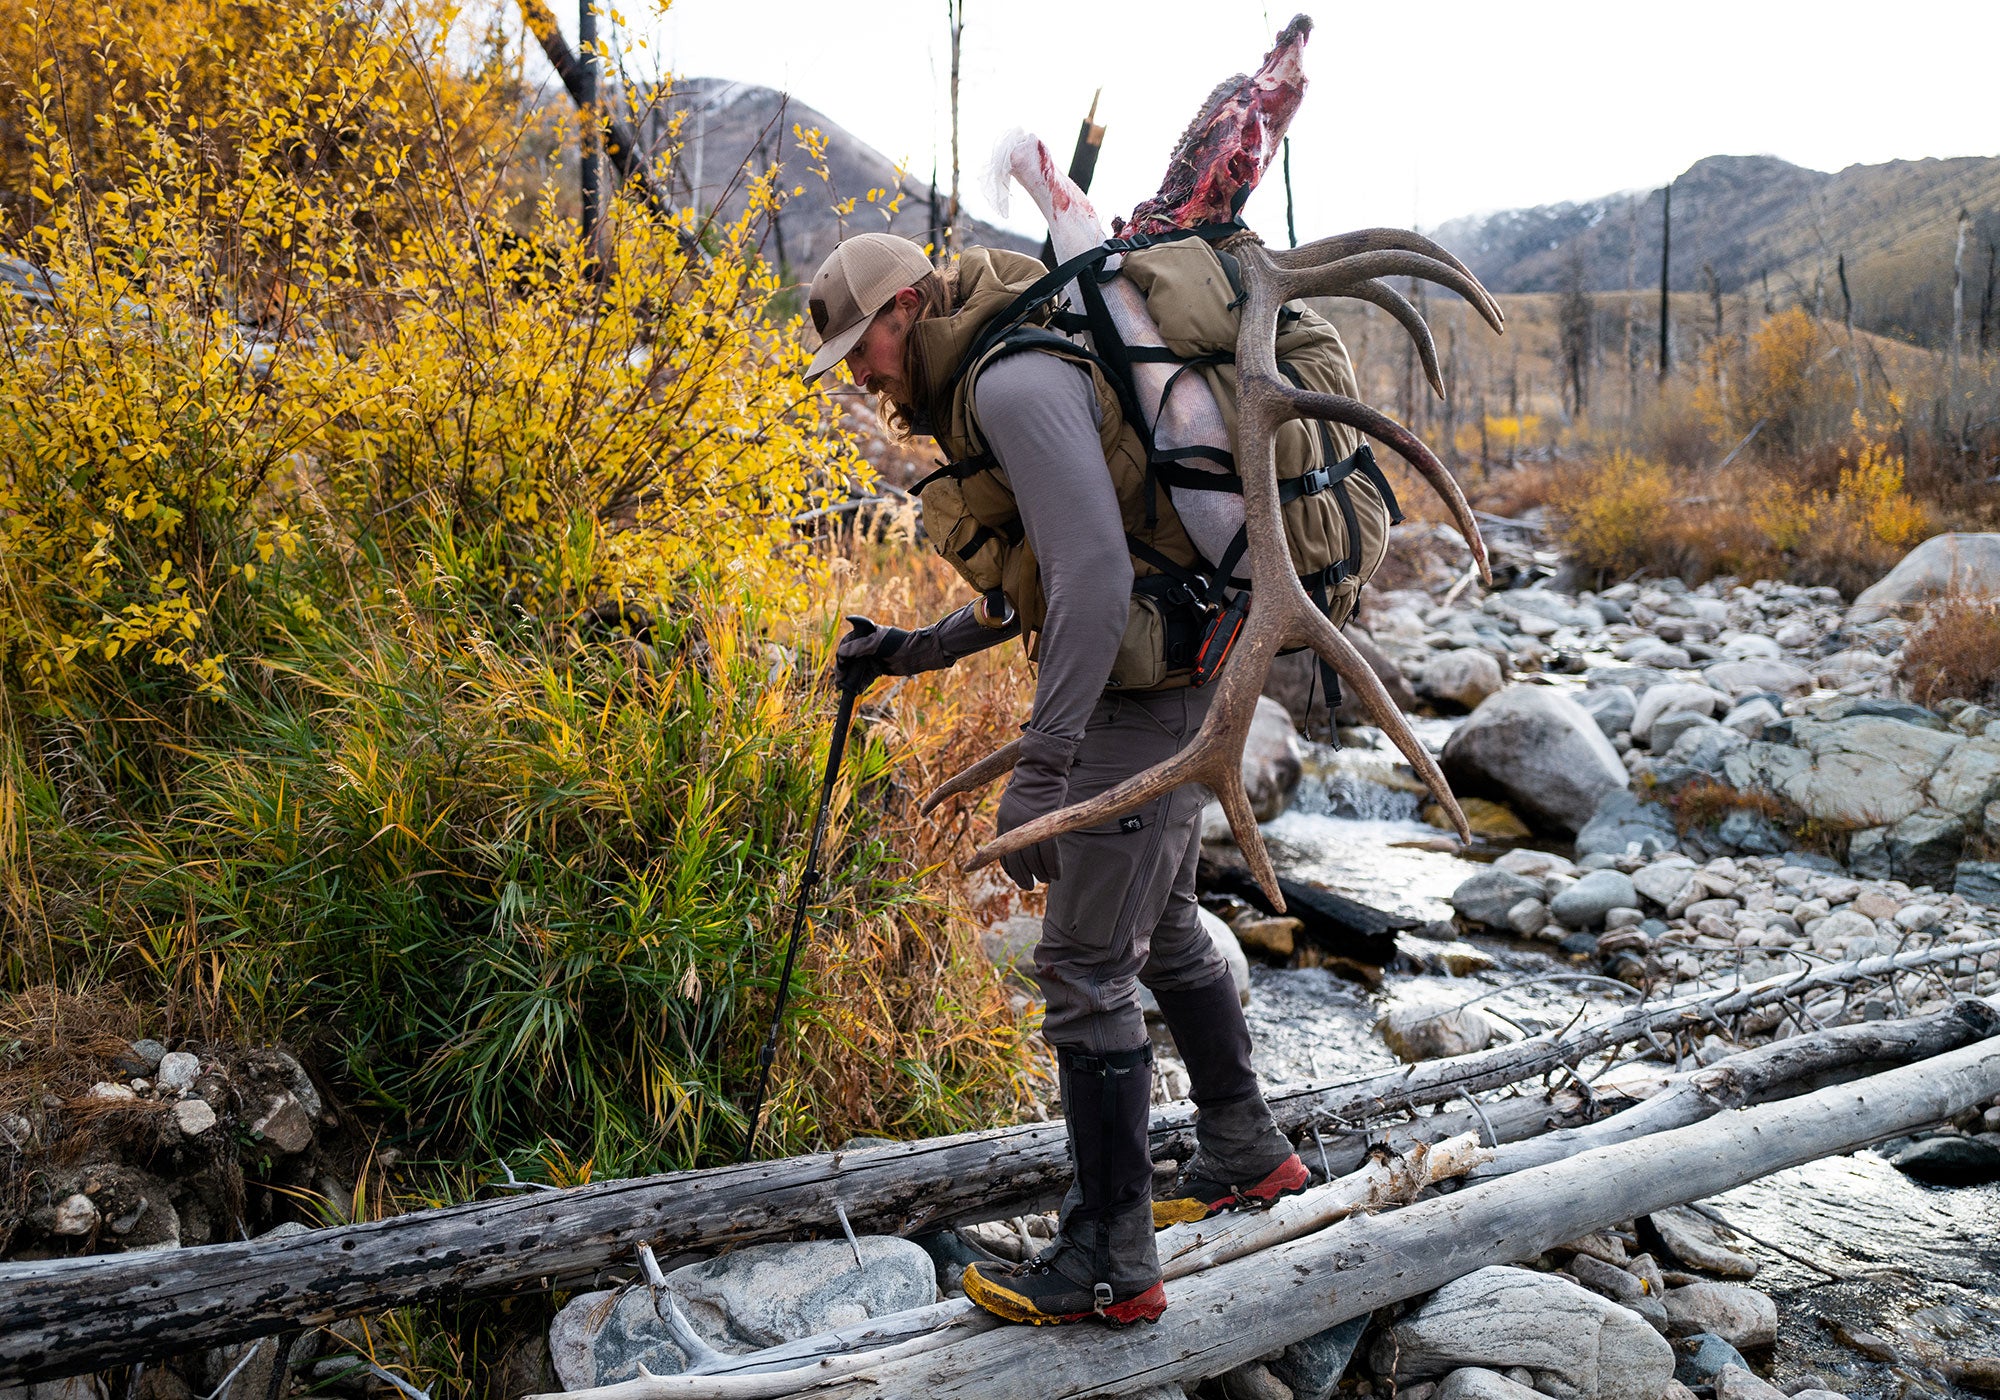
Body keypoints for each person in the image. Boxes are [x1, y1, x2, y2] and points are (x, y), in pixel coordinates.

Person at [802, 231, 1309, 1328]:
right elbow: (1039, 577)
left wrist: (1041, 771)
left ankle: (1106, 1261)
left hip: (1157, 684)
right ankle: (1245, 1149)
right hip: (1181, 664)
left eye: (864, 344)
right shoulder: (1007, 368)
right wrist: (912, 648)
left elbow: (1090, 576)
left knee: (1081, 962)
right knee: (1162, 924)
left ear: (905, 304)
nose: (862, 373)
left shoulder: (1013, 379)